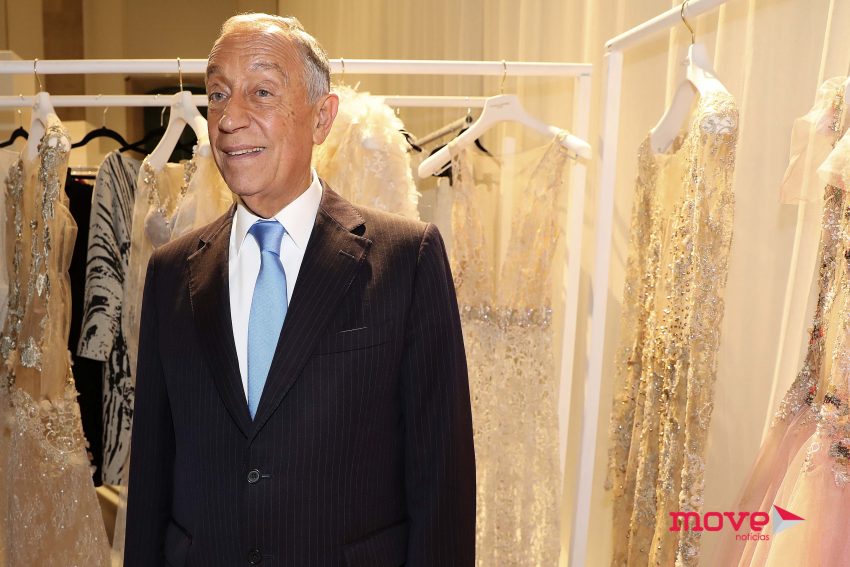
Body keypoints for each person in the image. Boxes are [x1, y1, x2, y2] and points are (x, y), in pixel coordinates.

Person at [123, 13, 475, 567]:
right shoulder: (171, 272)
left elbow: (441, 483)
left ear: (321, 117)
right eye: (218, 94)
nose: (229, 118)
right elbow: (150, 479)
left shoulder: (406, 261)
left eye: (262, 92)